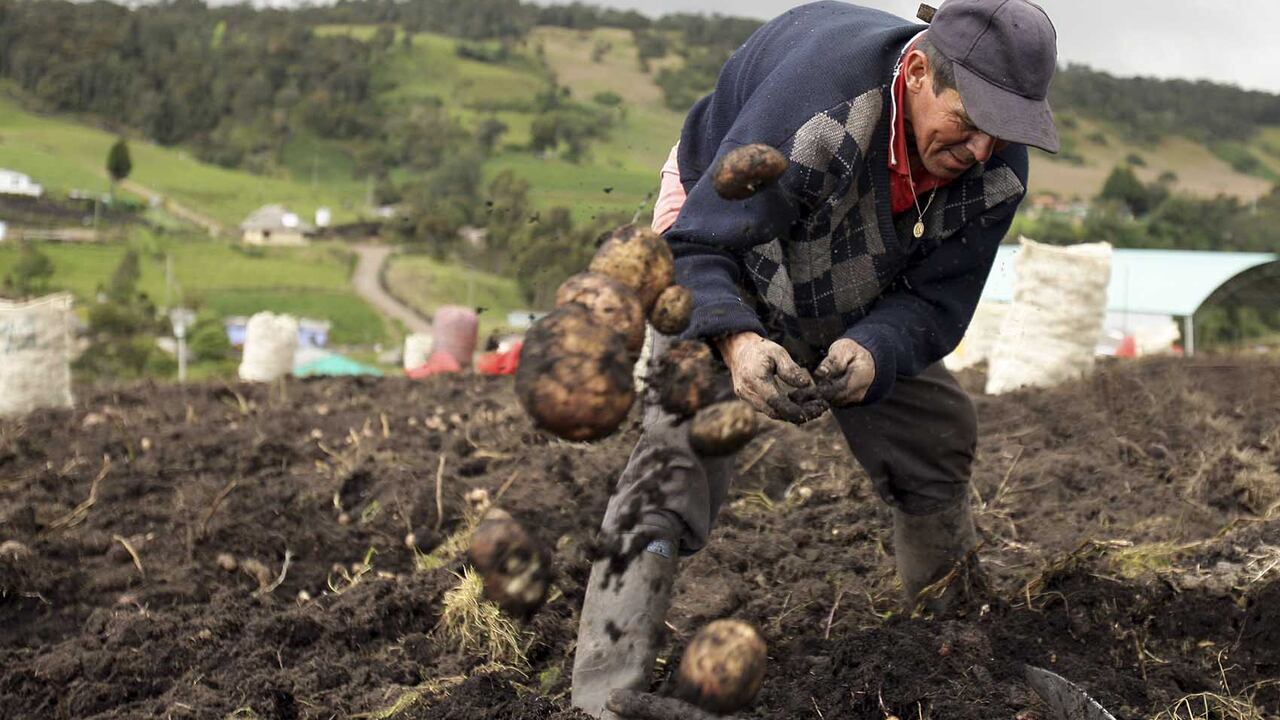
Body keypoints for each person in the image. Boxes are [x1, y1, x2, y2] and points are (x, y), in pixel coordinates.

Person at [573, 1, 1060, 717]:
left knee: (935, 436)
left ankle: (954, 648)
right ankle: (602, 694)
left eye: (1004, 131)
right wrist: (738, 341)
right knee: (680, 451)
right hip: (725, 245)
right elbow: (699, 247)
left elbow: (936, 302)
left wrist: (874, 348)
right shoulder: (815, 112)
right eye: (970, 121)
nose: (983, 149)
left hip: (865, 272)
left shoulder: (994, 169)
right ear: (918, 71)